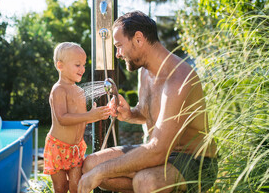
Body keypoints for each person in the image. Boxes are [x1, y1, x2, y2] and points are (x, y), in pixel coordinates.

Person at [78, 11, 218, 193]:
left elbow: (158, 150)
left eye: (119, 46)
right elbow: (146, 114)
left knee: (145, 181)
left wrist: (101, 172)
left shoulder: (178, 78)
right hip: (159, 154)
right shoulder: (144, 72)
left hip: (196, 160)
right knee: (90, 164)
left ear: (138, 38)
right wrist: (130, 114)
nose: (118, 54)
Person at [44, 42, 113, 193]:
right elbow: (62, 118)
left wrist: (96, 115)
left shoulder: (79, 91)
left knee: (77, 186)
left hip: (75, 149)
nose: (82, 69)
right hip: (57, 147)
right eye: (77, 65)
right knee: (61, 187)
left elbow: (82, 118)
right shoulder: (59, 90)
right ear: (60, 66)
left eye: (83, 65)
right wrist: (88, 115)